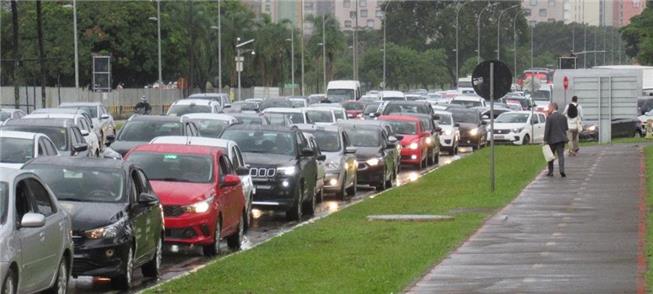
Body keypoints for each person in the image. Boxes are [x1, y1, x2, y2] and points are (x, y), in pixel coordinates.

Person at [544, 102, 568, 177]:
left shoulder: (549, 117)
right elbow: (566, 128)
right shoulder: (563, 117)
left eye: (549, 107)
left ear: (552, 108)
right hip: (561, 139)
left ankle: (550, 172)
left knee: (550, 156)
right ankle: (562, 170)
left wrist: (545, 139)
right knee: (561, 155)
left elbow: (547, 129)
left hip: (552, 140)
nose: (548, 109)